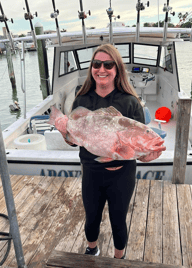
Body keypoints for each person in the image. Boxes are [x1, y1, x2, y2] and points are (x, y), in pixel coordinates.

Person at [64, 44, 162, 259]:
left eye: (108, 64)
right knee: (91, 217)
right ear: (91, 68)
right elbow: (74, 141)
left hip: (122, 175)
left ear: (117, 69)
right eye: (97, 64)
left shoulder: (131, 103)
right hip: (92, 172)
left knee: (118, 219)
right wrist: (65, 130)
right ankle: (92, 249)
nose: (102, 69)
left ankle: (120, 258)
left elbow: (138, 147)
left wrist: (148, 156)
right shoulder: (82, 100)